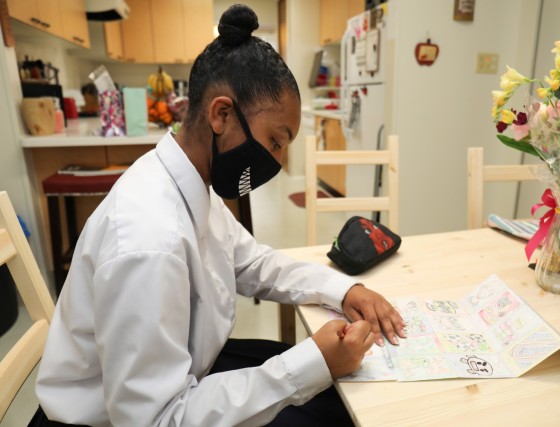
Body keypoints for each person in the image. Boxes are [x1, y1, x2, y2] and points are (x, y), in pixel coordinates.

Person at [31, 4, 405, 426]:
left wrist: (342, 290)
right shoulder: (150, 239)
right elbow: (155, 420)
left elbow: (251, 260)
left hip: (184, 372)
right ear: (221, 114)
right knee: (332, 408)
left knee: (333, 393)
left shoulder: (189, 182)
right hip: (122, 417)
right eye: (276, 141)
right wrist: (312, 361)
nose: (278, 162)